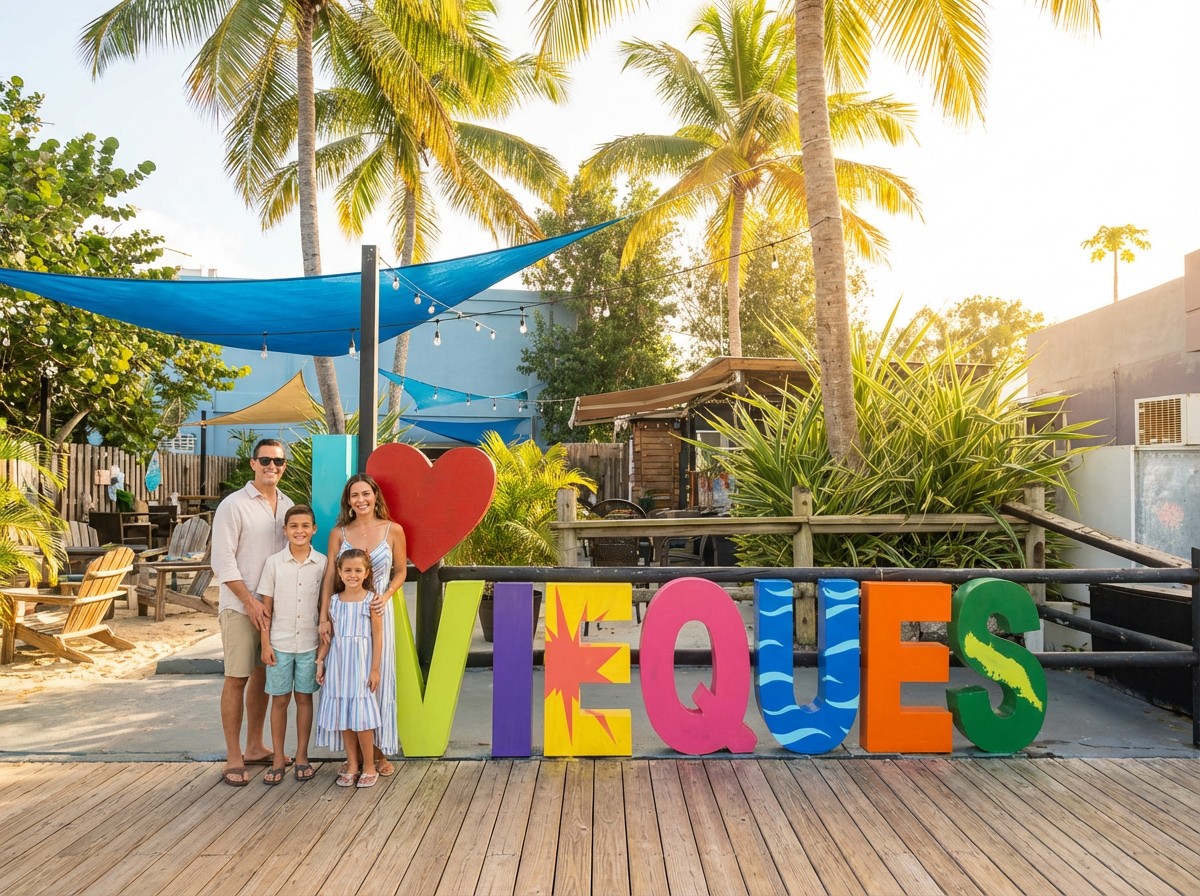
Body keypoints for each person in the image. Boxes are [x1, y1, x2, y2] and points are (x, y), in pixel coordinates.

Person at [211, 438, 294, 787]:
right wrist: (250, 602)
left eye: (277, 461)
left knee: (262, 677)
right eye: (265, 460)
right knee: (238, 677)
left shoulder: (287, 505)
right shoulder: (233, 506)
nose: (271, 466)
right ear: (253, 463)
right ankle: (234, 756)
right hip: (240, 607)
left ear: (284, 466)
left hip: (275, 609)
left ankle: (256, 746)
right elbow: (223, 561)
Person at [319, 473, 406, 775]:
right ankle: (354, 758)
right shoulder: (339, 533)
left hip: (379, 610)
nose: (361, 500)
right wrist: (323, 618)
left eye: (366, 493)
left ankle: (379, 754)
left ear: (375, 495)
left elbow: (401, 571)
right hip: (345, 615)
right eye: (354, 495)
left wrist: (387, 595)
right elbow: (330, 576)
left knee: (376, 683)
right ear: (348, 501)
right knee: (348, 685)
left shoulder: (393, 530)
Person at [258, 504, 326, 785]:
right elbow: (266, 609)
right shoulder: (273, 563)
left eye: (305, 526)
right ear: (285, 530)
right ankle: (277, 757)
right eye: (294, 526)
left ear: (314, 530)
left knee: (304, 698)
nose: (299, 531)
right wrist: (265, 643)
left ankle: (301, 755)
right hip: (280, 642)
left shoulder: (322, 563)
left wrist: (323, 650)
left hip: (309, 643)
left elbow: (325, 606)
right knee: (280, 699)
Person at [315, 549, 384, 788]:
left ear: (366, 573)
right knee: (344, 714)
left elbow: (378, 636)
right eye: (347, 570)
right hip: (338, 664)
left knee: (362, 717)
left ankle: (369, 765)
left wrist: (375, 669)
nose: (352, 575)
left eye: (357, 570)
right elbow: (329, 637)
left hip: (361, 664)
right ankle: (352, 764)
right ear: (340, 573)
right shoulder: (334, 601)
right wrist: (321, 661)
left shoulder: (372, 600)